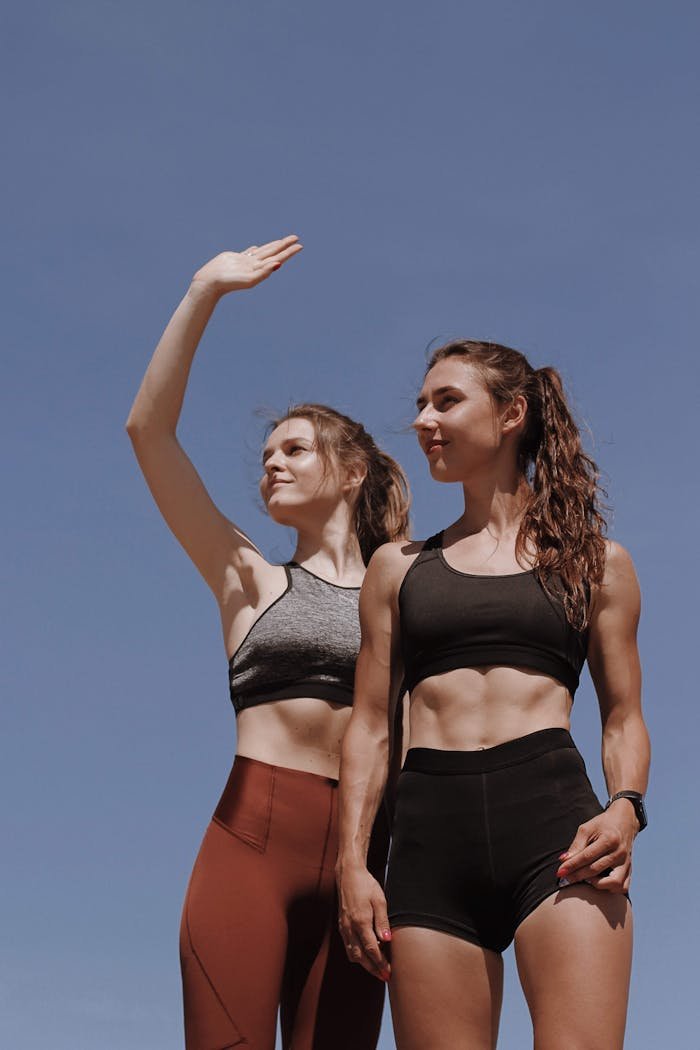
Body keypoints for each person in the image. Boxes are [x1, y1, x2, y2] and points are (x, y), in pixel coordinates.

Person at [125, 236, 410, 1050]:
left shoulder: (409, 586)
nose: (270, 468)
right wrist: (202, 291)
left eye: (292, 450)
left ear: (352, 471)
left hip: (366, 859)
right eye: (264, 457)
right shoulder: (247, 575)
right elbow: (149, 433)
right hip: (249, 851)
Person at [336, 340, 650, 1050]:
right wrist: (351, 863)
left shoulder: (597, 563)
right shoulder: (397, 569)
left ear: (511, 414)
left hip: (557, 836)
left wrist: (627, 806)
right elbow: (370, 729)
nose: (423, 420)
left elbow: (624, 717)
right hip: (427, 846)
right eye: (420, 404)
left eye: (446, 401)